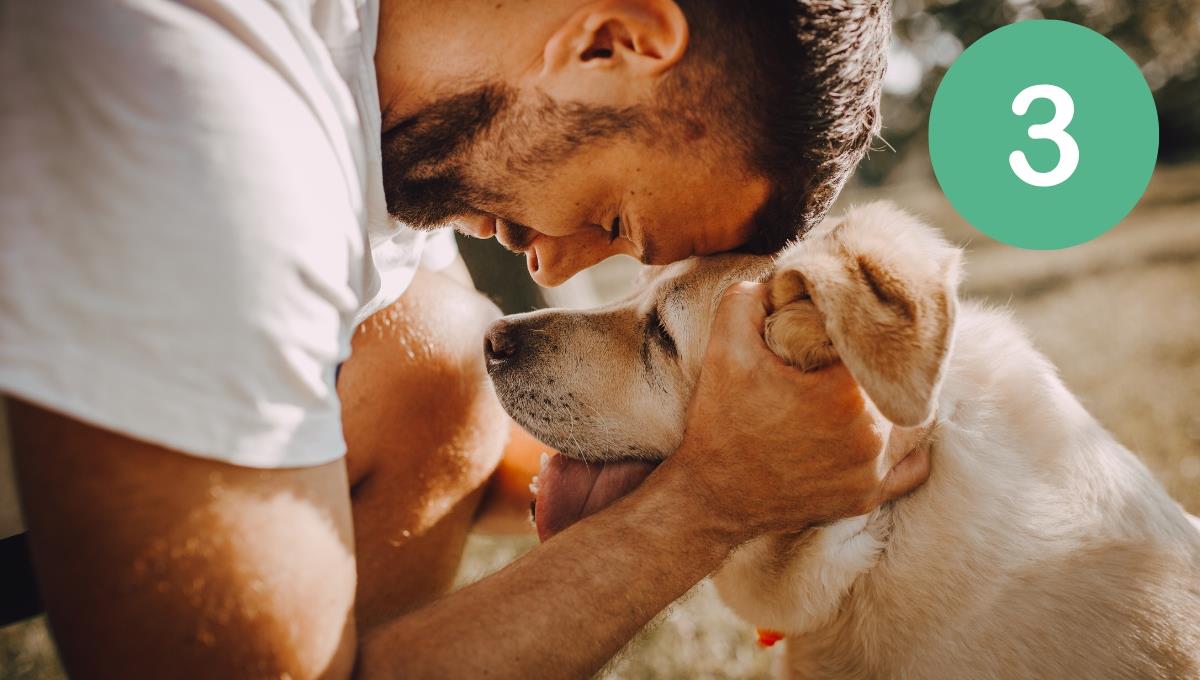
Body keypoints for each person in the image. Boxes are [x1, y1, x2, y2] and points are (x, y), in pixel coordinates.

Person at [0, 0, 927, 678]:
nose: (556, 271)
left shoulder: (381, 99)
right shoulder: (210, 112)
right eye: (611, 215)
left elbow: (457, 434)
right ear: (612, 41)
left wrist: (768, 458)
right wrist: (708, 506)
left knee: (434, 358)